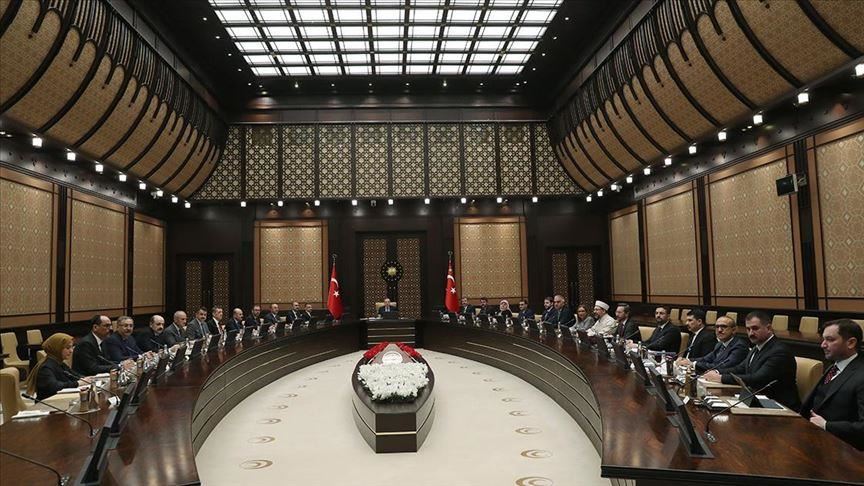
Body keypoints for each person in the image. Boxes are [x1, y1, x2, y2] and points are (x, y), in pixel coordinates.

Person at [703, 311, 800, 410]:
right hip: (758, 400)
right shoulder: (756, 347)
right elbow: (740, 368)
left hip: (779, 405)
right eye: (748, 329)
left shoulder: (779, 351)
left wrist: (721, 378)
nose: (751, 333)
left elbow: (758, 379)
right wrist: (716, 372)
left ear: (769, 328)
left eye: (755, 328)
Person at [800, 319, 863, 450]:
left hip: (842, 449)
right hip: (813, 438)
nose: (823, 345)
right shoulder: (835, 366)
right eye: (823, 339)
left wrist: (826, 425)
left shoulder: (861, 374)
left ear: (851, 343)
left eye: (830, 340)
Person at [25, 333, 89, 400]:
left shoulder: (59, 363)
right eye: (68, 348)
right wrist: (77, 383)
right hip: (48, 403)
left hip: (60, 399)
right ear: (57, 348)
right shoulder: (45, 367)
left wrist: (87, 379)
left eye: (72, 347)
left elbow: (74, 375)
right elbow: (54, 386)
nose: (71, 351)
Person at [677, 316, 747, 373]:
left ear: (734, 330)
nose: (719, 330)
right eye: (717, 327)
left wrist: (693, 364)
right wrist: (687, 360)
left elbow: (723, 366)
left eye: (724, 326)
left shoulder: (739, 346)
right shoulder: (720, 344)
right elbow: (706, 359)